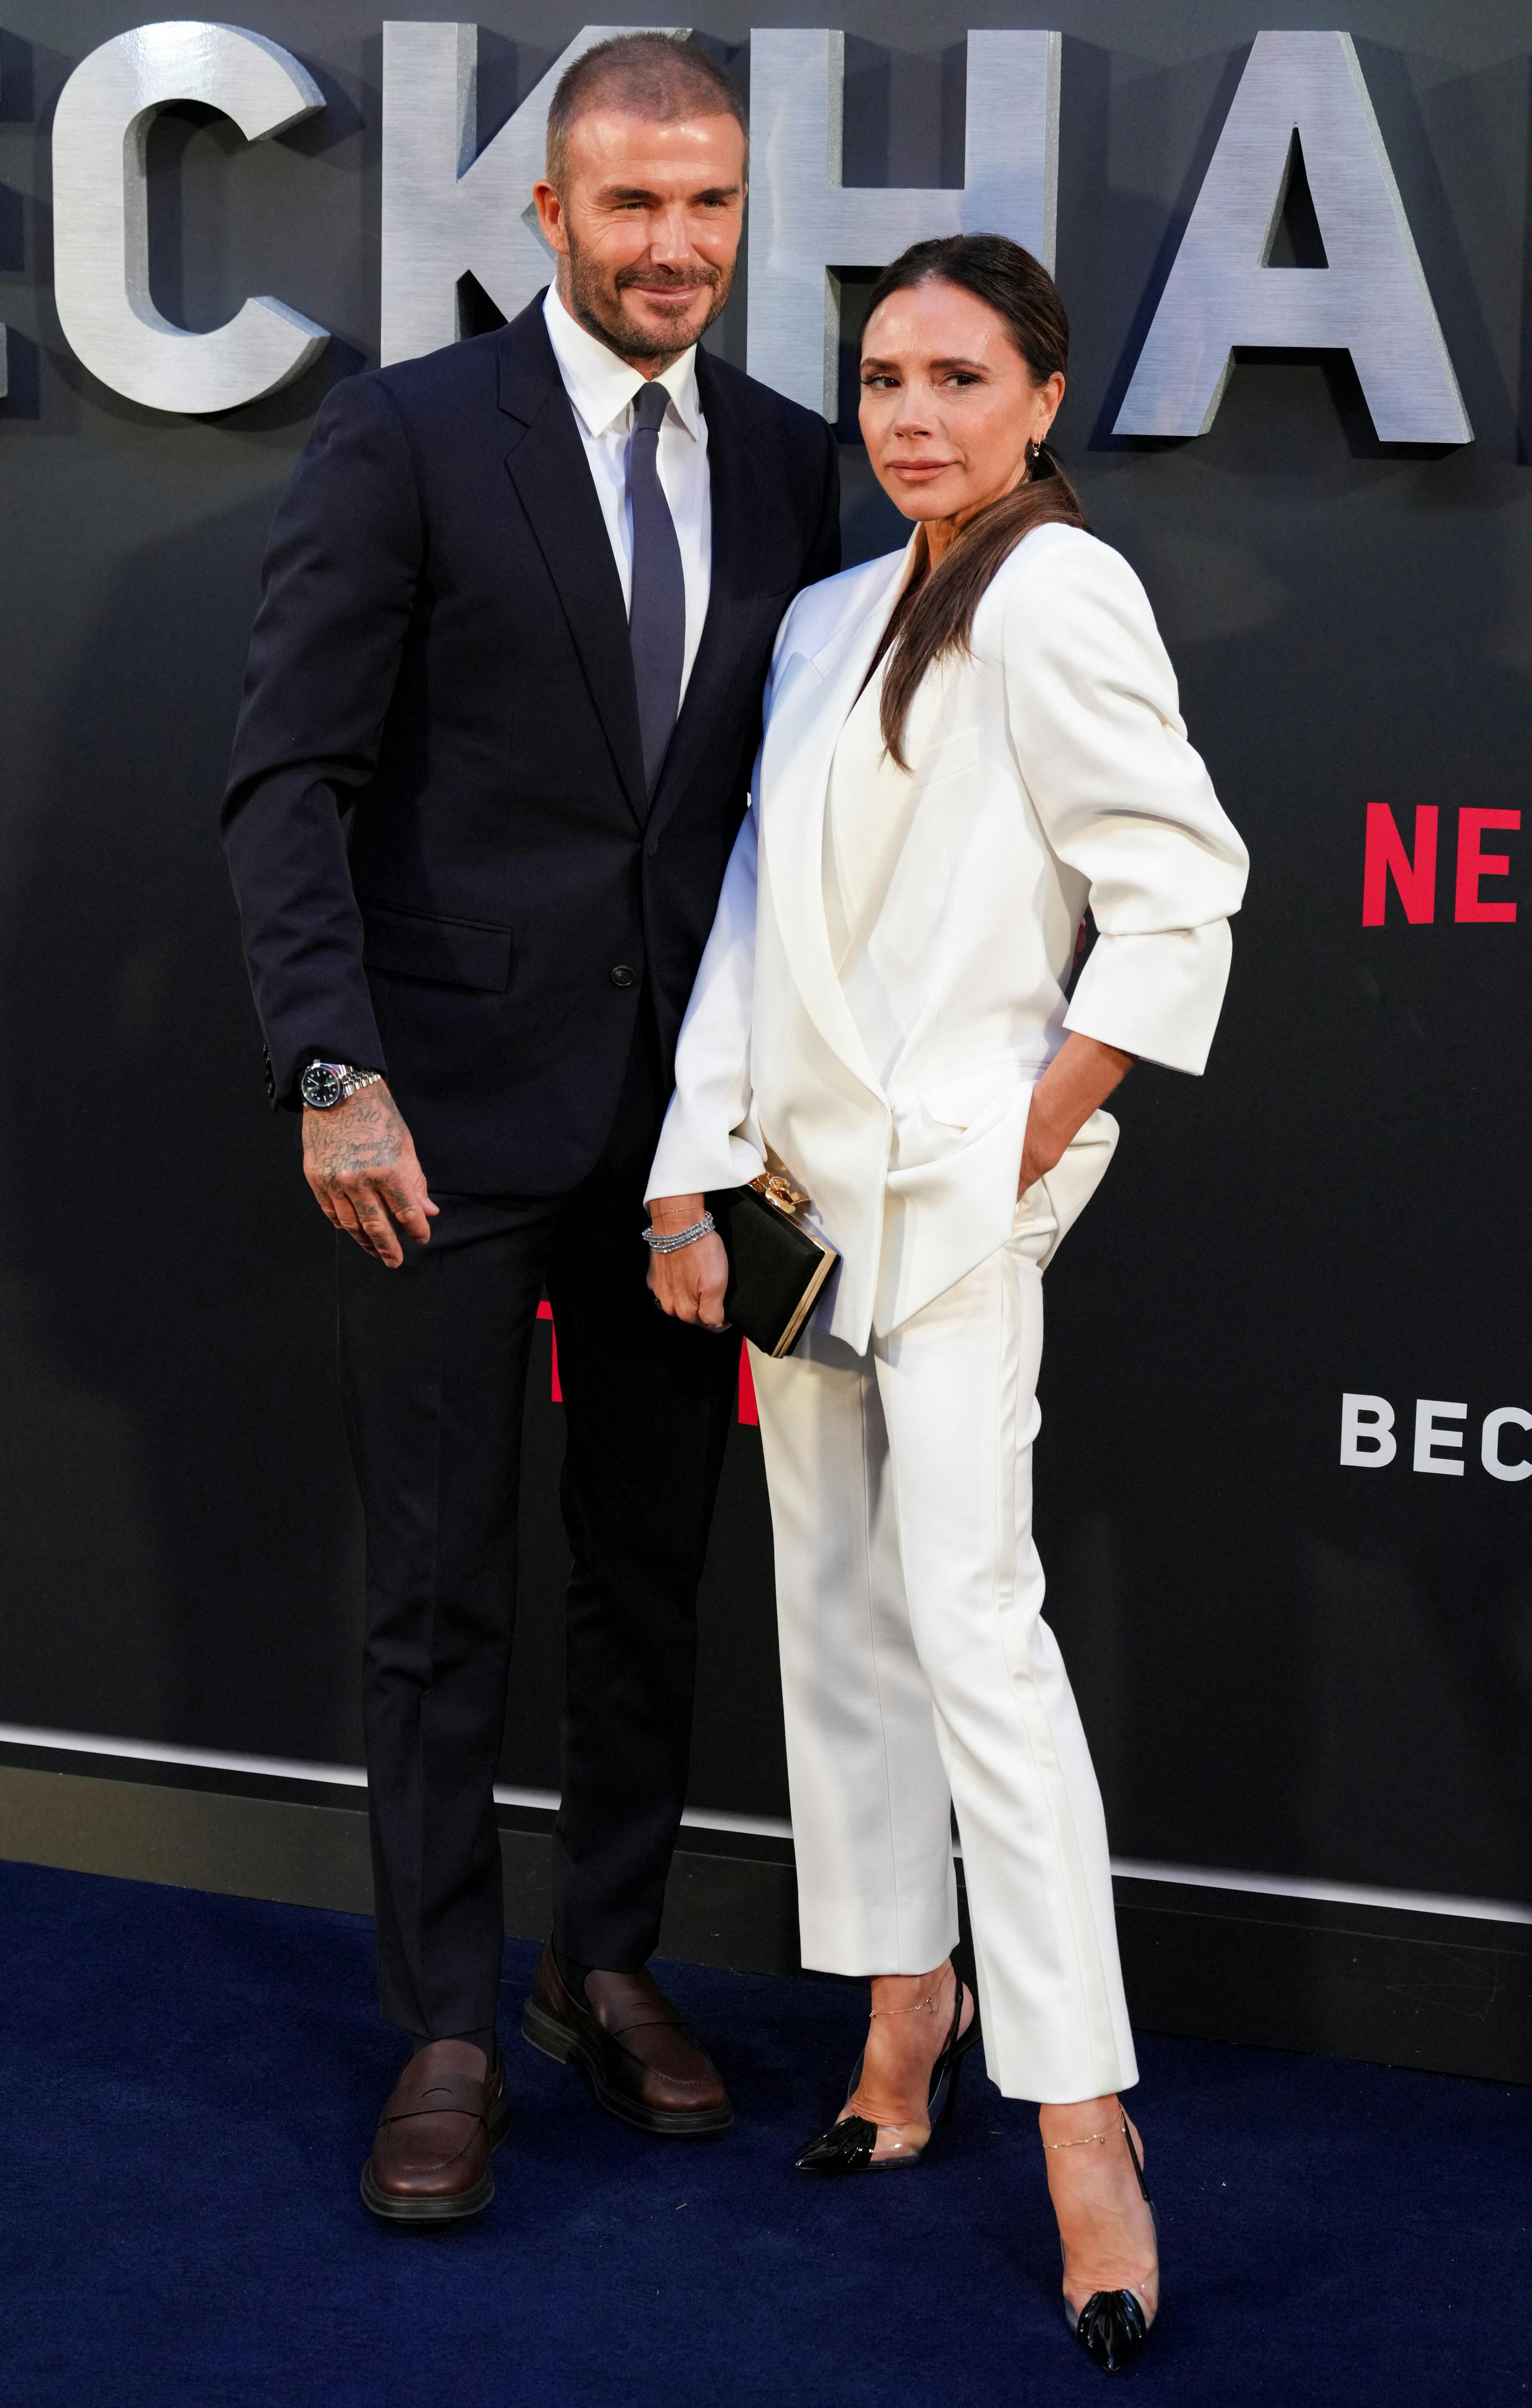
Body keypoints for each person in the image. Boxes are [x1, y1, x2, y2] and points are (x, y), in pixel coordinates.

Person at [221, 34, 839, 2224]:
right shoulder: (401, 437)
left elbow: (805, 822)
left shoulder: (792, 464)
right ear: (553, 218)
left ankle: (607, 1958)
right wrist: (331, 1066)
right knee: (439, 1591)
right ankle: (451, 2021)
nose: (677, 246)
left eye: (711, 206)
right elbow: (283, 783)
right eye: (633, 206)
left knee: (650, 1577)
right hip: (440, 1130)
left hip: (687, 1143)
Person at [646, 233, 1247, 2372]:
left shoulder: (1059, 591)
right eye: (885, 375)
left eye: (957, 377)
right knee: (835, 1611)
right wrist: (683, 1180)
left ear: (1039, 398)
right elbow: (744, 917)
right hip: (790, 1202)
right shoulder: (827, 612)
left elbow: (1181, 885)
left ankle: (1084, 2127)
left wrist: (1020, 1149)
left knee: (974, 1630)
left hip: (956, 1210)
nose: (912, 412)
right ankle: (904, 2005)